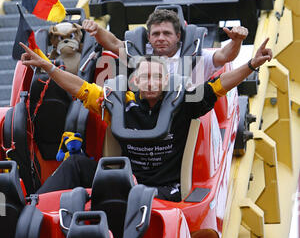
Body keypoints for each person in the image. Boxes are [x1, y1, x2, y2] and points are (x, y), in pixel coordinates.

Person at [19, 37, 272, 201]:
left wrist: (251, 64)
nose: (151, 82)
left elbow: (219, 85)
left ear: (166, 81)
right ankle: (34, 206)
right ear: (135, 81)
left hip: (164, 188)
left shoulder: (183, 101)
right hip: (125, 179)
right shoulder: (120, 101)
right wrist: (50, 68)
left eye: (157, 77)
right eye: (145, 77)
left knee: (137, 196)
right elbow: (80, 88)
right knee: (75, 165)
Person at [82, 8, 249, 83]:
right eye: (156, 34)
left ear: (178, 36)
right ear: (148, 37)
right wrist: (97, 30)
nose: (161, 38)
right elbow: (113, 43)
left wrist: (237, 40)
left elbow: (225, 56)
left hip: (187, 121)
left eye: (167, 33)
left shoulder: (195, 55)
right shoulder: (139, 52)